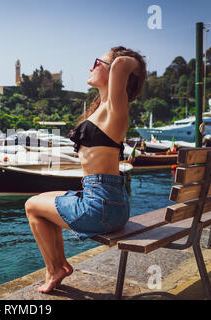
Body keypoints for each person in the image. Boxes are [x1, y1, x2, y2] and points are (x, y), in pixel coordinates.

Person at [24, 46, 147, 293]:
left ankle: (54, 270)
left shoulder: (115, 107)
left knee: (31, 206)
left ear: (114, 70)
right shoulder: (105, 108)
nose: (91, 67)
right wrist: (108, 63)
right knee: (40, 201)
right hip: (111, 201)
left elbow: (123, 61)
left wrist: (119, 63)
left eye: (97, 62)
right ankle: (59, 266)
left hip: (101, 205)